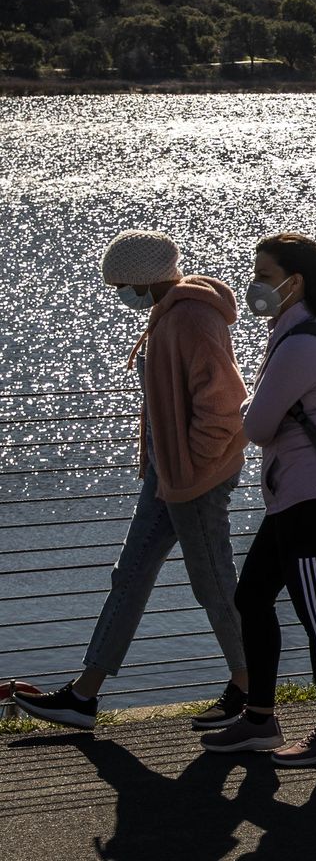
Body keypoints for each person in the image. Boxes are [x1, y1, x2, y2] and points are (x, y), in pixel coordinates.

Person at [16, 232, 250, 732]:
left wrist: (194, 464)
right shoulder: (167, 311)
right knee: (132, 574)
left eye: (122, 284)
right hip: (168, 476)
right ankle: (83, 697)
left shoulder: (191, 317)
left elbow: (224, 404)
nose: (120, 293)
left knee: (213, 585)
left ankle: (252, 693)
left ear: (144, 280)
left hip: (194, 479)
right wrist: (171, 466)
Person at [199, 234, 316, 766]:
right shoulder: (299, 333)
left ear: (296, 281)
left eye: (265, 275)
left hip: (309, 498)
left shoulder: (300, 345)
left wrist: (252, 405)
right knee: (252, 598)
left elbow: (258, 425)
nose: (256, 285)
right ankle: (260, 719)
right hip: (293, 496)